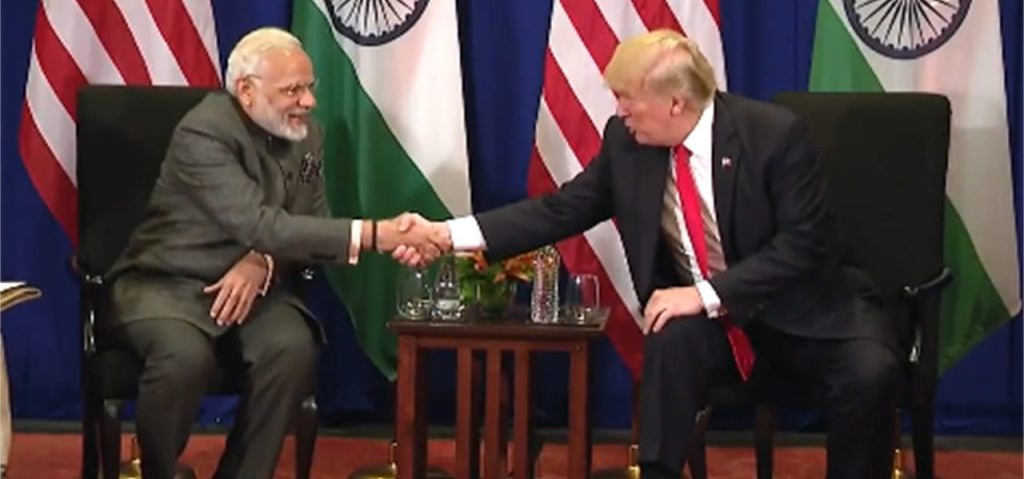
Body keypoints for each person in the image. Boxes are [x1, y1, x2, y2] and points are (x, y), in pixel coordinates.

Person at [397, 30, 900, 479]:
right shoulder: (629, 143)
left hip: (806, 309)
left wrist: (703, 293)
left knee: (870, 371)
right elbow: (560, 210)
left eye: (626, 99)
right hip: (715, 324)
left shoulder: (773, 136)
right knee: (670, 336)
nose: (618, 111)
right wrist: (446, 235)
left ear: (676, 104)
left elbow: (802, 245)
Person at [103, 27, 439, 479]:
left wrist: (260, 261)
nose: (309, 102)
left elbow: (309, 225)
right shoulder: (205, 131)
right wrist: (377, 234)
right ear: (246, 91)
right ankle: (160, 472)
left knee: (291, 348)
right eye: (293, 90)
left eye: (310, 88)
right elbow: (258, 224)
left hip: (257, 288)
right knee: (183, 357)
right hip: (168, 282)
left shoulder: (307, 136)